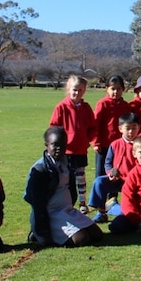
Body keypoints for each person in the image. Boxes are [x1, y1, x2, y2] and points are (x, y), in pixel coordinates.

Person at [24, 126, 103, 248]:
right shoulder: (40, 169)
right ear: (46, 145)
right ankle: (41, 232)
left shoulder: (68, 162)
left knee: (97, 235)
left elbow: (71, 188)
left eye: (62, 144)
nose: (59, 149)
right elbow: (35, 202)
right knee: (82, 239)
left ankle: (64, 231)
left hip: (67, 210)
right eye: (54, 145)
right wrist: (42, 233)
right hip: (51, 213)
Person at [49, 74, 96, 214]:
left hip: (80, 150)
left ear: (84, 91)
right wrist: (61, 143)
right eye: (74, 89)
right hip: (66, 152)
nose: (77, 93)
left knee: (80, 178)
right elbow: (53, 127)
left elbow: (93, 127)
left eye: (80, 90)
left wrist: (87, 139)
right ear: (69, 89)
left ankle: (82, 203)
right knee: (66, 180)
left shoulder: (86, 108)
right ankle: (67, 204)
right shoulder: (61, 107)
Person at [87, 112, 141, 223]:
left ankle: (113, 208)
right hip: (117, 180)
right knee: (99, 181)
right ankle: (101, 212)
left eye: (134, 128)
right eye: (128, 128)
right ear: (120, 129)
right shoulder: (115, 144)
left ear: (139, 128)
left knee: (130, 212)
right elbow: (108, 162)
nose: (131, 131)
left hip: (134, 183)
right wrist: (110, 173)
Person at [92, 75, 132, 178]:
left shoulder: (125, 106)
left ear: (123, 90)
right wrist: (96, 142)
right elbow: (95, 123)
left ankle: (112, 194)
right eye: (113, 89)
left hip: (119, 145)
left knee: (117, 170)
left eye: (119, 89)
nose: (116, 92)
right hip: (104, 144)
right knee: (101, 172)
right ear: (107, 89)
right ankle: (100, 193)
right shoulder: (102, 104)